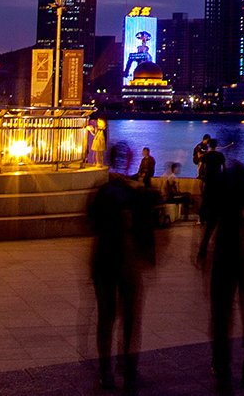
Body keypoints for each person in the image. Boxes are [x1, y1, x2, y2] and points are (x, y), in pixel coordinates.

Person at [198, 159, 244, 389]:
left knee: (221, 310)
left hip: (223, 251)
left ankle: (221, 362)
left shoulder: (218, 187)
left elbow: (211, 221)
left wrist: (202, 247)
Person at [88, 164, 159, 390]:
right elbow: (145, 229)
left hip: (104, 260)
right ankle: (128, 367)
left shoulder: (102, 193)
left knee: (106, 317)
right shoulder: (133, 195)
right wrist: (149, 256)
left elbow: (92, 223)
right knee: (129, 317)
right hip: (127, 263)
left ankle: (106, 370)